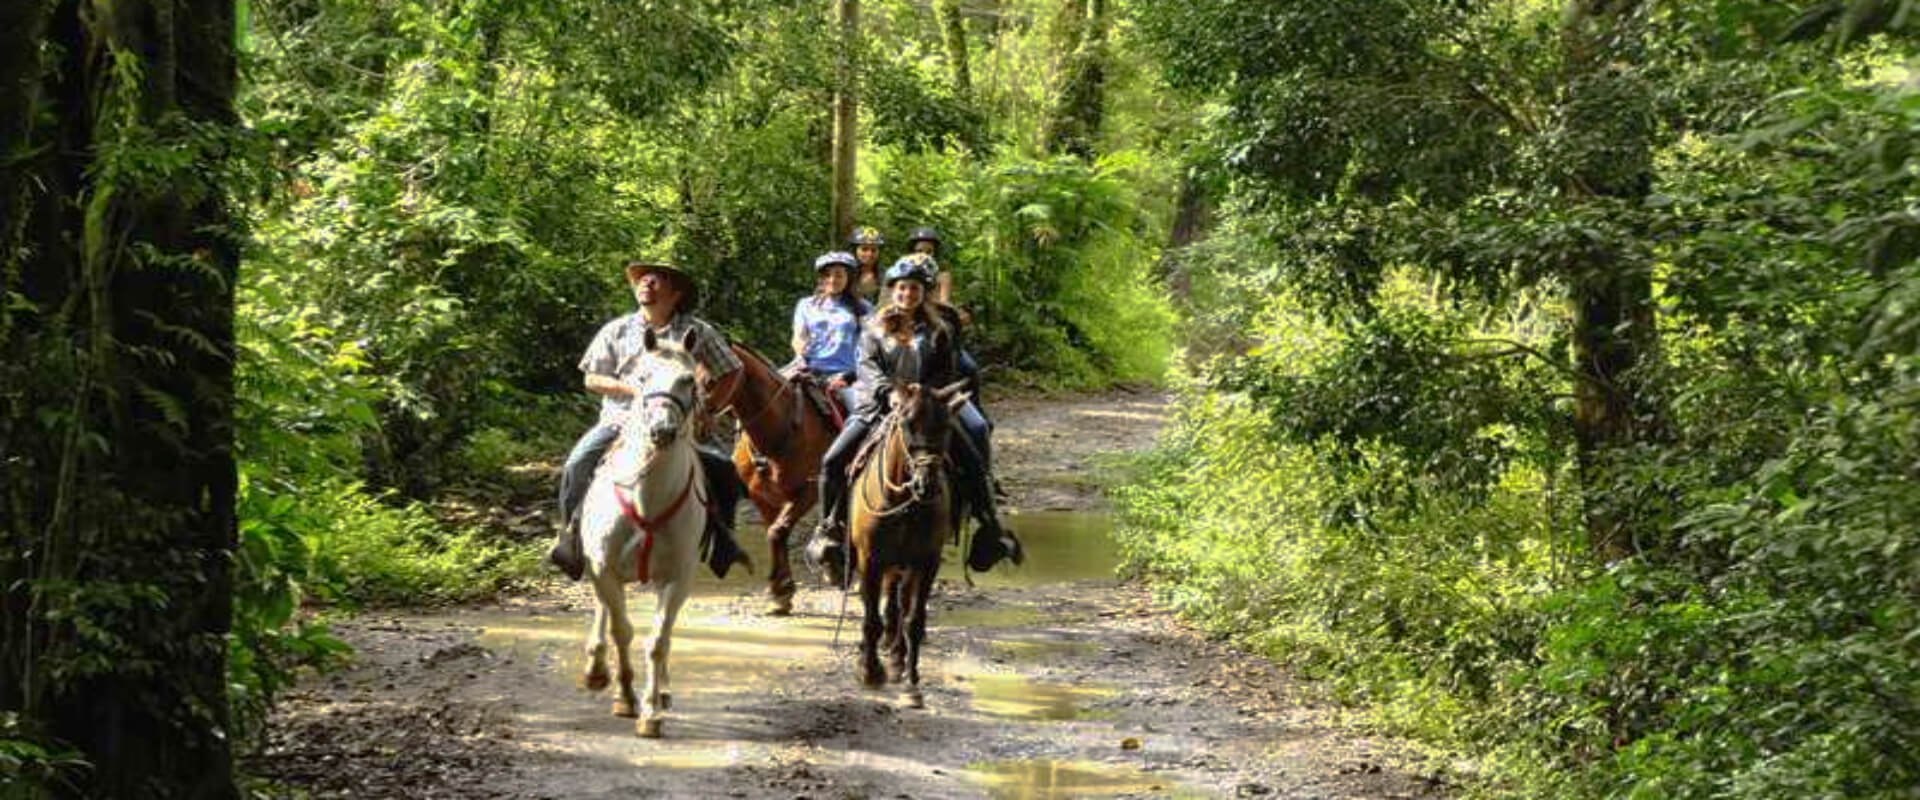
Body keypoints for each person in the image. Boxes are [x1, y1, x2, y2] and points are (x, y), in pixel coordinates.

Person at [805, 254, 1022, 587]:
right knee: (834, 459)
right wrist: (888, 392)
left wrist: (926, 393)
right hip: (880, 406)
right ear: (893, 290)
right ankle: (829, 529)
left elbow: (946, 369)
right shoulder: (872, 326)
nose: (908, 294)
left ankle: (989, 525)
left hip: (929, 405)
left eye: (915, 288)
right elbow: (867, 366)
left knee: (974, 438)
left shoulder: (940, 329)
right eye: (903, 288)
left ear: (924, 292)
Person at [549, 261, 751, 582]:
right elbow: (592, 378)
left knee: (725, 469)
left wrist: (710, 408)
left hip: (679, 424)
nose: (647, 283)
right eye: (643, 280)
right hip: (621, 420)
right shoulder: (616, 330)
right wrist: (636, 390)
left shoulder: (697, 331)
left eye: (657, 281)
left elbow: (733, 370)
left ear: (676, 293)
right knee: (577, 463)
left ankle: (723, 539)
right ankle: (570, 538)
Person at [788, 251, 872, 416]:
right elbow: (799, 336)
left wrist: (852, 374)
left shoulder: (863, 308)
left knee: (862, 415)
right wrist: (800, 356)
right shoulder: (806, 305)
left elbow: (869, 346)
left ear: (848, 278)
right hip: (808, 368)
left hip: (846, 375)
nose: (832, 280)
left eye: (839, 275)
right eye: (827, 275)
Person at [904, 226, 953, 305]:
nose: (924, 255)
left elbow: (944, 303)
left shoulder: (942, 277)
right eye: (919, 251)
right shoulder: (901, 274)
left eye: (929, 252)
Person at [847, 226, 886, 298]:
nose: (869, 254)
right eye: (864, 249)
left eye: (873, 250)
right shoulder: (845, 274)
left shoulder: (885, 275)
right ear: (854, 250)